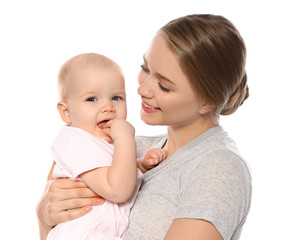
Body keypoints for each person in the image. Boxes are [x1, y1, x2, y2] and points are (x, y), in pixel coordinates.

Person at [37, 14, 252, 240]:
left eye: (163, 86)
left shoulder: (218, 167)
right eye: (145, 67)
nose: (142, 90)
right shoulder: (125, 148)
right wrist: (44, 220)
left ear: (206, 101)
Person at [46, 53, 167, 240]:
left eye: (116, 98)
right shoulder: (76, 142)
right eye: (92, 99)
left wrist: (140, 165)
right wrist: (126, 139)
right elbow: (117, 190)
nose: (108, 107)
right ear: (66, 112)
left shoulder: (98, 142)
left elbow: (111, 172)